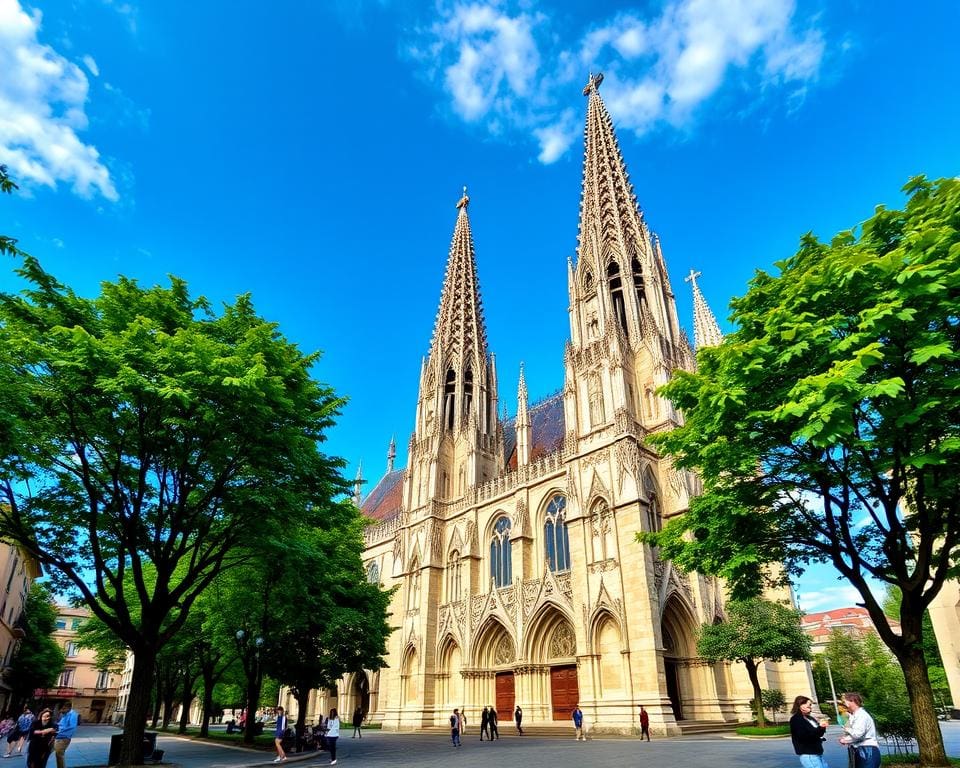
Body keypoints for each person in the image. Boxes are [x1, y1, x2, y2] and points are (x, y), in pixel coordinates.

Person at [838, 693, 879, 768]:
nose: (843, 705)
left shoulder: (861, 715)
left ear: (852, 701)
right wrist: (845, 739)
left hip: (866, 750)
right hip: (862, 749)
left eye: (845, 702)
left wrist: (846, 736)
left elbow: (858, 734)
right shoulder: (855, 715)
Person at [789, 696, 829, 768]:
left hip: (817, 751)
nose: (810, 707)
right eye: (809, 705)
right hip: (808, 753)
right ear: (801, 705)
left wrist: (822, 727)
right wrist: (819, 728)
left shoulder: (810, 718)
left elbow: (819, 733)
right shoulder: (796, 719)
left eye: (810, 705)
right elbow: (803, 736)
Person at [53, 701, 78, 768]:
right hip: (58, 736)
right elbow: (61, 724)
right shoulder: (65, 713)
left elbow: (72, 727)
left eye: (63, 709)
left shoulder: (73, 715)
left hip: (63, 738)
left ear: (68, 708)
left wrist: (58, 733)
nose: (61, 710)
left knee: (59, 755)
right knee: (57, 754)